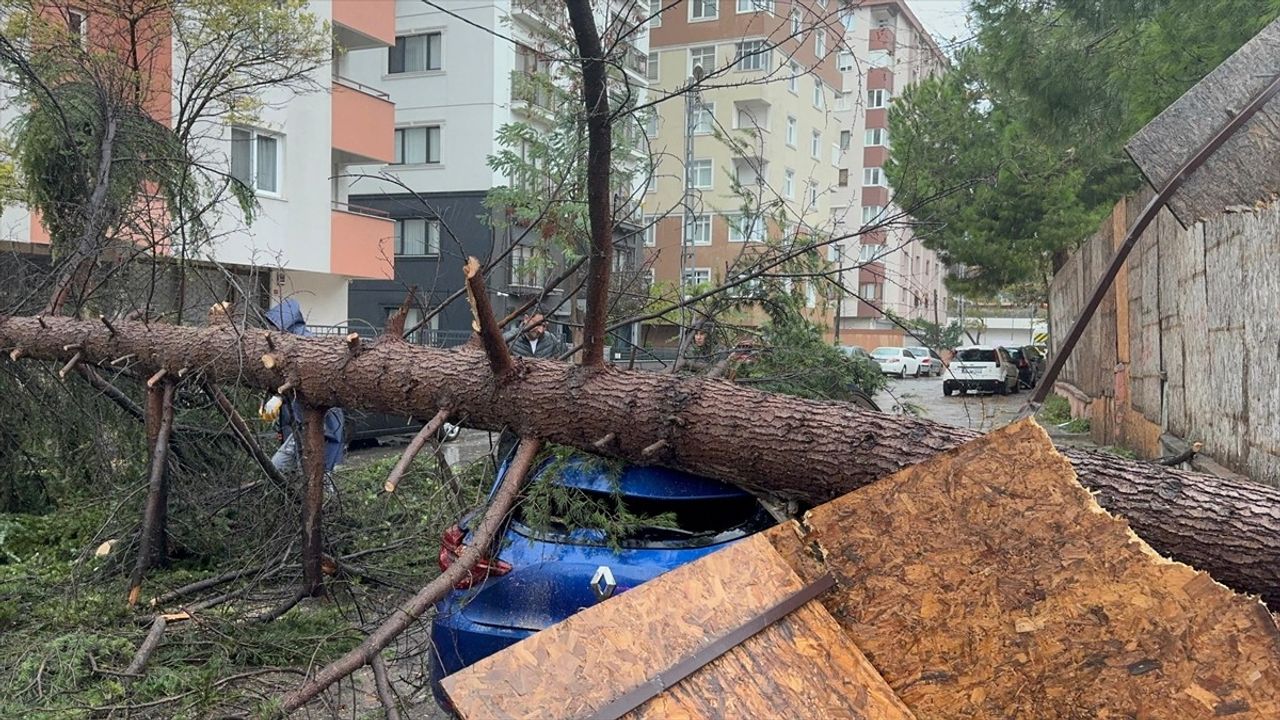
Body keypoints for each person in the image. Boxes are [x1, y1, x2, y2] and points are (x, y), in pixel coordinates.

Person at [259, 299, 346, 486]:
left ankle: (318, 508)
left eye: (274, 325)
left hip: (321, 423)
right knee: (290, 470)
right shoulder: (287, 343)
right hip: (303, 423)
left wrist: (279, 396)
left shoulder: (302, 342)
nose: (271, 330)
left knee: (314, 476)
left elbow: (302, 378)